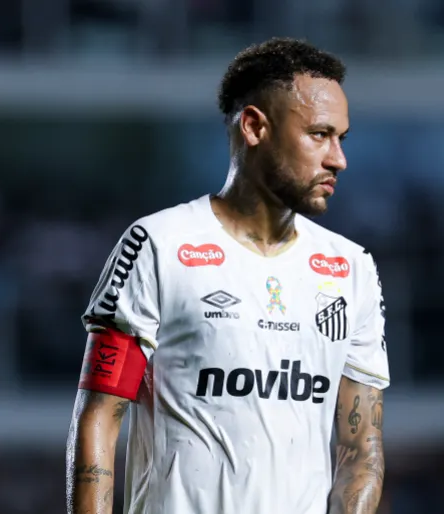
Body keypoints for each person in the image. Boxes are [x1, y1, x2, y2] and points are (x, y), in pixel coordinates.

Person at [66, 37, 390, 514]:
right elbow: (98, 418)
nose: (337, 158)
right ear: (256, 126)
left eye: (341, 138)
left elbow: (361, 451)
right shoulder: (159, 245)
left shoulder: (351, 269)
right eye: (319, 135)